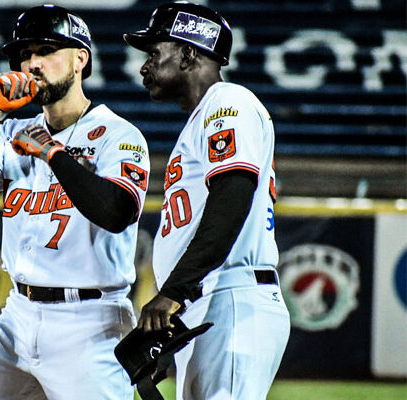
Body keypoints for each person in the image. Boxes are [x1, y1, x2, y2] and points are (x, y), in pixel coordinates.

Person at [0, 4, 150, 399]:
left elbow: (116, 212)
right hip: (17, 315)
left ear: (80, 59)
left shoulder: (118, 135)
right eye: (26, 53)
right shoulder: (12, 131)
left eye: (47, 50)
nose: (33, 63)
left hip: (91, 322)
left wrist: (53, 154)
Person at [123, 2, 290, 399]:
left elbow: (232, 197)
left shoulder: (228, 101)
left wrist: (173, 291)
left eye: (154, 53)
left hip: (231, 297)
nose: (144, 67)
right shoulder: (203, 117)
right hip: (212, 300)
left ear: (187, 53)